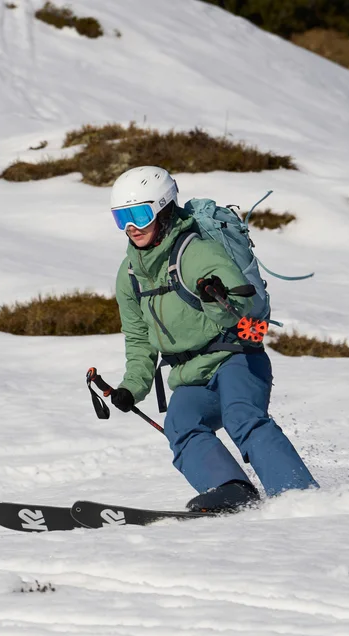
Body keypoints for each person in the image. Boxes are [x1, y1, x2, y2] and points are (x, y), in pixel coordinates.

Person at [106, 166, 318, 512]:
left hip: (237, 356)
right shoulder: (130, 275)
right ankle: (231, 490)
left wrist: (216, 299)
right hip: (191, 372)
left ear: (162, 209)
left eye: (139, 214)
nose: (131, 226)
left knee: (241, 416)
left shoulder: (197, 253)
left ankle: (298, 494)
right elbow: (138, 337)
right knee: (180, 424)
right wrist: (132, 386)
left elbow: (245, 310)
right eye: (121, 218)